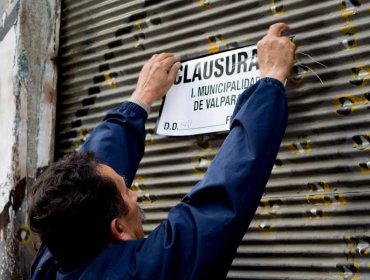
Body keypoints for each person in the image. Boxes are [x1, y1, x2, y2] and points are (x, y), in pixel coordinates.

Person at [29, 23, 296, 279]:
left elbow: (85, 177)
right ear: (118, 228)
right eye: (126, 190)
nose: (134, 195)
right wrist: (270, 80)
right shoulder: (147, 273)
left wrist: (140, 99)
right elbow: (221, 199)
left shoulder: (54, 258)